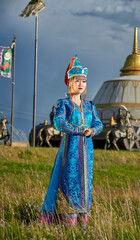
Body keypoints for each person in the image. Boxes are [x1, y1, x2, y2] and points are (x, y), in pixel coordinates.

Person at [39, 55, 103, 226]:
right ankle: (67, 216)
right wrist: (79, 130)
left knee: (85, 179)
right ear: (69, 82)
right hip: (70, 146)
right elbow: (59, 123)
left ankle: (83, 214)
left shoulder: (90, 105)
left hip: (86, 147)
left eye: (84, 81)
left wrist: (92, 130)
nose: (81, 84)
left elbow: (98, 123)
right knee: (69, 176)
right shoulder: (63, 104)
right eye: (77, 80)